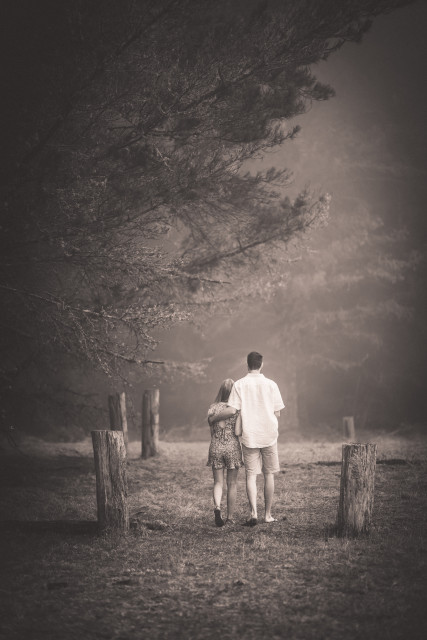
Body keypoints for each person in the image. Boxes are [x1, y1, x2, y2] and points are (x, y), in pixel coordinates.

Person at [227, 351, 285, 526]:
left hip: (249, 435)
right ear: (261, 365)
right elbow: (277, 413)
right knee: (269, 474)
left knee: (251, 476)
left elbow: (233, 409)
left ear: (247, 365)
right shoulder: (272, 384)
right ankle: (267, 515)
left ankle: (253, 513)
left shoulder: (239, 384)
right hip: (269, 435)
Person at [207, 379, 244, 526]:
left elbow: (212, 433)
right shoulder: (237, 409)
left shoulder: (212, 408)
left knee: (218, 482)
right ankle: (230, 517)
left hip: (215, 446)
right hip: (232, 446)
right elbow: (238, 431)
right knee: (232, 483)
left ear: (221, 391)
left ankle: (217, 507)